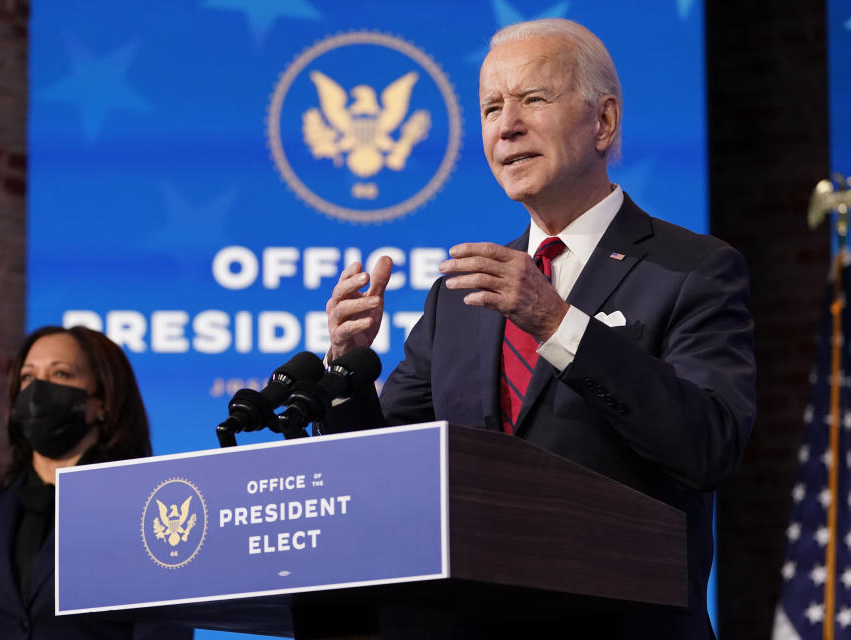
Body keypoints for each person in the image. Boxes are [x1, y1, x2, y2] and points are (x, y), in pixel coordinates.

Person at [321, 18, 755, 639]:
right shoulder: (458, 296)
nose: (506, 126)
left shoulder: (693, 270)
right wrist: (347, 370)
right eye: (491, 107)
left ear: (602, 122)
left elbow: (710, 445)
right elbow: (382, 475)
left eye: (532, 99)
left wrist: (557, 323)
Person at [0, 326, 193, 639]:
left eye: (61, 375)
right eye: (28, 378)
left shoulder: (144, 515)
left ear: (103, 401)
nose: (39, 390)